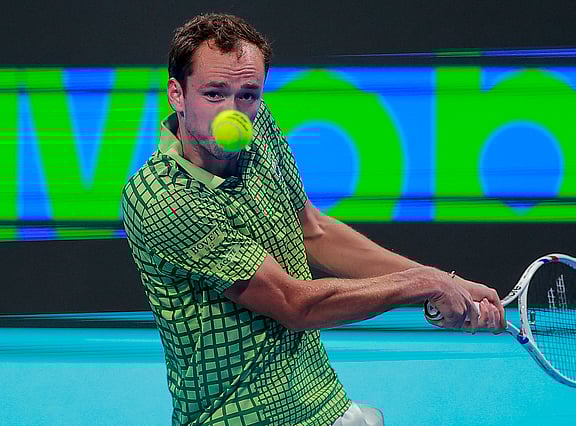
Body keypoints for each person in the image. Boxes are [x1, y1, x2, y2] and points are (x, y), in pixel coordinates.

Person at [121, 12, 505, 426]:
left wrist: (444, 281)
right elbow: (294, 304)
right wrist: (421, 284)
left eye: (248, 95)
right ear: (177, 94)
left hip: (320, 400)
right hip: (238, 416)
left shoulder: (257, 125)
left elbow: (313, 232)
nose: (233, 112)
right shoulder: (163, 199)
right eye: (214, 93)